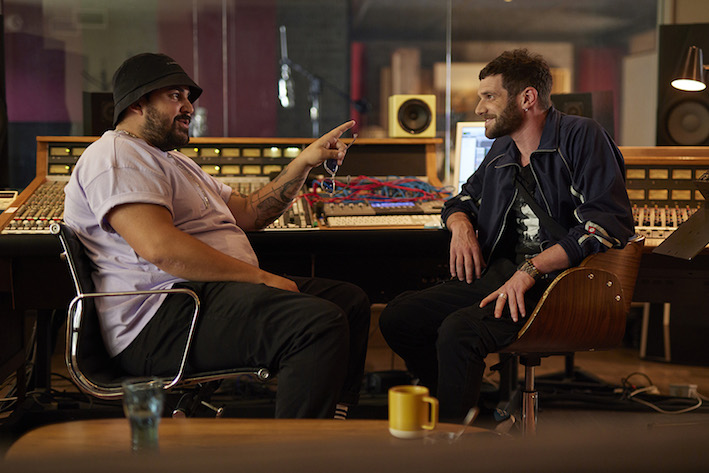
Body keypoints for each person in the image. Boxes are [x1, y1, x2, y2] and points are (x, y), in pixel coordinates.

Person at [63, 52, 370, 419]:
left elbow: (250, 212)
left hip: (198, 298)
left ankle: (332, 422)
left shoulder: (174, 160)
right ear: (137, 102)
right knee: (315, 324)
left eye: (188, 97)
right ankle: (298, 447)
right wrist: (261, 278)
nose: (188, 107)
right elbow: (160, 248)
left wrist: (304, 162)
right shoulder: (116, 154)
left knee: (348, 302)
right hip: (159, 319)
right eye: (175, 95)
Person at [379, 49, 634, 422]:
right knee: (399, 317)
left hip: (561, 283)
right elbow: (462, 200)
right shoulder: (503, 148)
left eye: (489, 97)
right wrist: (461, 227)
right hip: (505, 274)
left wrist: (531, 268)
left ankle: (454, 436)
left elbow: (606, 224)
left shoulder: (583, 136)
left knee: (459, 331)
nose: (479, 108)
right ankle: (475, 416)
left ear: (527, 98)